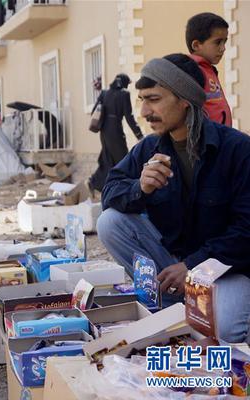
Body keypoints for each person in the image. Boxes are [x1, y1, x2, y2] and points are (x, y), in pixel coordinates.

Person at [96, 54, 250, 344]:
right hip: (175, 265)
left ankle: (195, 314)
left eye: (153, 99)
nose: (144, 111)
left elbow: (246, 231)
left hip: (225, 269)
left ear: (184, 100)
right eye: (141, 100)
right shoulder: (150, 147)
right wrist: (140, 188)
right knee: (109, 221)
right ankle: (174, 308)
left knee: (228, 329)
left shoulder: (237, 150)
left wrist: (193, 267)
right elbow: (110, 191)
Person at [88, 73, 144, 196]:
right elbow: (129, 116)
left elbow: (94, 111)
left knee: (108, 158)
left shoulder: (104, 93)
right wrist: (139, 134)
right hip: (115, 130)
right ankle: (125, 188)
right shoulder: (124, 94)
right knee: (123, 158)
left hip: (104, 131)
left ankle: (96, 183)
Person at [186, 12, 232, 126]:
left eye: (225, 42)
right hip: (208, 140)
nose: (223, 48)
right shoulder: (191, 71)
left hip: (221, 137)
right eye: (218, 42)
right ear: (196, 45)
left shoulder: (209, 70)